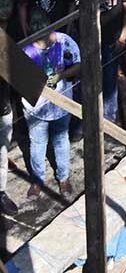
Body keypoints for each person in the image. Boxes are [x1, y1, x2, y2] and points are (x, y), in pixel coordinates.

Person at [22, 11, 81, 198]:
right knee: (37, 143)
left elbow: (78, 64)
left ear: (50, 23)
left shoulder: (64, 41)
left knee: (61, 140)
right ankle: (37, 180)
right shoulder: (25, 50)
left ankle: (63, 178)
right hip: (35, 107)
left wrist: (61, 75)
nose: (39, 27)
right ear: (30, 26)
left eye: (43, 22)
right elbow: (19, 80)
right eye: (35, 23)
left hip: (61, 103)